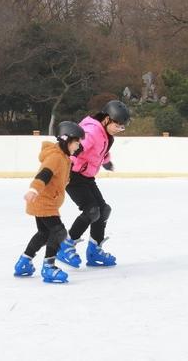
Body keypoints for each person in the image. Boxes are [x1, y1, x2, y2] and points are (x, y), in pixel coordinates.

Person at [56, 100, 130, 268]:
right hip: (72, 175)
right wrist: (61, 169)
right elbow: (74, 149)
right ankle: (65, 246)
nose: (119, 129)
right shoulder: (92, 131)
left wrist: (106, 162)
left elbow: (99, 151)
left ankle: (94, 251)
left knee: (103, 210)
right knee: (91, 211)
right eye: (117, 125)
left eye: (121, 127)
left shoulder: (105, 134)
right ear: (106, 119)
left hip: (86, 176)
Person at [13, 121, 85, 283]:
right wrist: (34, 189)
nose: (78, 146)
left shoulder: (64, 157)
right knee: (58, 232)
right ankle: (49, 267)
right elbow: (45, 173)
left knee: (44, 233)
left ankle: (24, 262)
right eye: (76, 142)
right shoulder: (55, 157)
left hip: (45, 201)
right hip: (43, 201)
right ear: (66, 140)